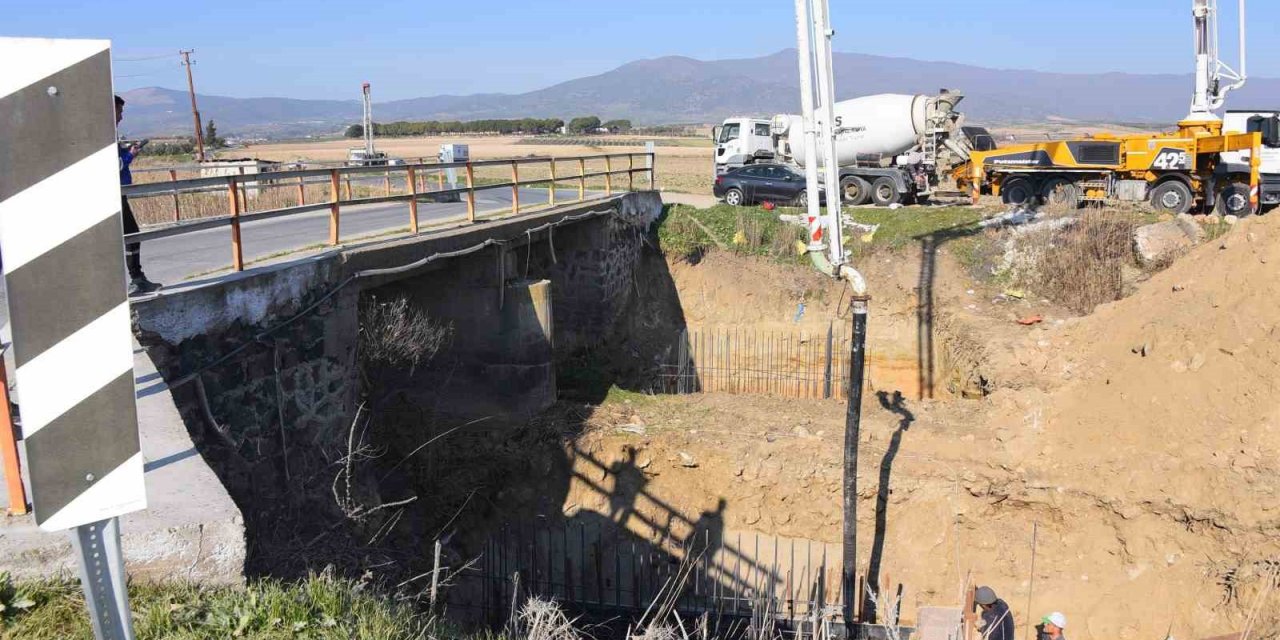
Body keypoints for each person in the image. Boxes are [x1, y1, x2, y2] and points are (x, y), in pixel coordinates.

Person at [115, 95, 160, 296]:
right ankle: (136, 279)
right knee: (132, 235)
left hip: (118, 193)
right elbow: (116, 165)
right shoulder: (104, 135)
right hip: (115, 193)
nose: (121, 117)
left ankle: (137, 278)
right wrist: (130, 154)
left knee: (131, 235)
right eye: (119, 111)